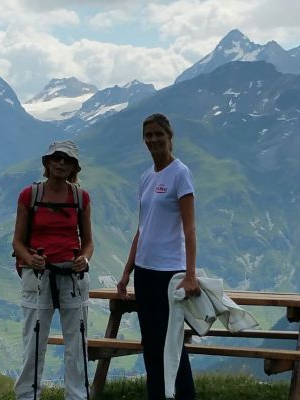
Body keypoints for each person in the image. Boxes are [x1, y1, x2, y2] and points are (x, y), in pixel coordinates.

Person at [115, 113, 200, 400]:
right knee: (151, 343)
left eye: (157, 135)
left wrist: (190, 275)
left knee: (171, 343)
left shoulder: (180, 173)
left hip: (169, 273)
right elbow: (142, 229)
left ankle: (184, 396)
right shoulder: (146, 177)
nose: (152, 140)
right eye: (148, 135)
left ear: (169, 137)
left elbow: (189, 228)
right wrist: (127, 272)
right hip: (145, 271)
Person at [13, 140, 95, 400]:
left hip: (72, 275)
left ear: (74, 167)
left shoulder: (81, 198)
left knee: (77, 344)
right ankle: (28, 396)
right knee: (34, 344)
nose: (61, 163)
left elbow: (89, 242)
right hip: (37, 276)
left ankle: (77, 396)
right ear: (47, 163)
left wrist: (85, 259)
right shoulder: (30, 196)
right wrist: (30, 259)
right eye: (57, 158)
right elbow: (18, 242)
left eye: (67, 160)